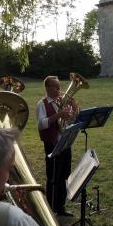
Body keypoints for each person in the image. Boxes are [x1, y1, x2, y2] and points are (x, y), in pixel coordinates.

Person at [36, 76, 75, 216]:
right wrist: (59, 115)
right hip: (52, 145)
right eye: (56, 87)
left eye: (59, 86)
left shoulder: (60, 102)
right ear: (47, 88)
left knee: (64, 175)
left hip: (65, 143)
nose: (60, 90)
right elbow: (41, 124)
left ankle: (61, 207)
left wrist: (69, 114)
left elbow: (68, 120)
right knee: (53, 177)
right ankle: (51, 208)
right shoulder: (42, 104)